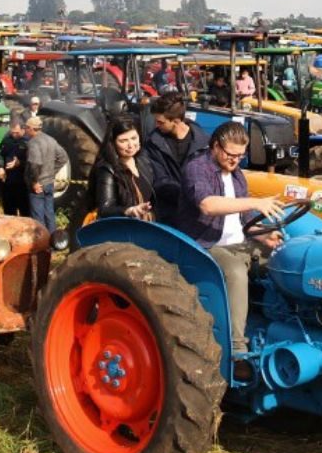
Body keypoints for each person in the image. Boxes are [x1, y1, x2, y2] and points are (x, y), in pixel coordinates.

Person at [177, 122, 284, 379]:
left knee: (285, 260)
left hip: (240, 242)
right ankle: (237, 351)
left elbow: (244, 216)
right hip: (205, 245)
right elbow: (208, 205)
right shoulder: (197, 168)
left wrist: (264, 234)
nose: (235, 160)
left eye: (240, 156)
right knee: (235, 272)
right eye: (230, 154)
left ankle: (281, 326)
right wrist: (256, 202)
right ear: (216, 146)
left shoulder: (236, 174)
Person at [146, 92, 209, 221]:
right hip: (168, 213)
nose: (156, 125)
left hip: (199, 213)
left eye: (160, 122)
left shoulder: (205, 144)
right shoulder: (153, 143)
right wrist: (189, 195)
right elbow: (159, 179)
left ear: (177, 121)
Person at [91, 116, 155, 220]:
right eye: (123, 141)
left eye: (134, 138)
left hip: (145, 227)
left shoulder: (144, 161)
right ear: (113, 143)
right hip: (120, 229)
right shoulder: (106, 169)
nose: (130, 145)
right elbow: (105, 208)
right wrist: (130, 210)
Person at [24, 116, 68, 234]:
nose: (25, 130)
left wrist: (34, 182)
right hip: (49, 183)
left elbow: (35, 164)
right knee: (49, 213)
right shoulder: (51, 140)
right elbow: (63, 157)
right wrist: (52, 172)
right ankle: (53, 241)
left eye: (26, 127)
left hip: (38, 185)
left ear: (32, 129)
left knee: (38, 217)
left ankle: (41, 243)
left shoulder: (33, 143)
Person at [0, 117, 28, 216]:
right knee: (9, 209)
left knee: (24, 211)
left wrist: (20, 163)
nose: (14, 135)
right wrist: (0, 167)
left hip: (23, 181)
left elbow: (33, 162)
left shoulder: (28, 141)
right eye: (12, 132)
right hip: (8, 180)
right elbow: (0, 155)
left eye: (17, 133)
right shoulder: (7, 140)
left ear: (23, 130)